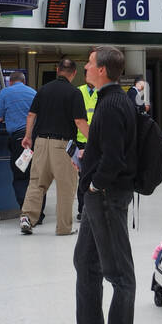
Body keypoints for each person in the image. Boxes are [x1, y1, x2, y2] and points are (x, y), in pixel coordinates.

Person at [57, 46, 137, 324]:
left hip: (106, 197)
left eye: (90, 64)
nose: (86, 67)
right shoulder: (109, 101)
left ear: (102, 70)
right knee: (86, 260)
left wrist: (95, 185)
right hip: (98, 197)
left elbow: (115, 157)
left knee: (117, 270)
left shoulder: (112, 105)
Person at [19, 57, 89, 236]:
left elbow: (31, 115)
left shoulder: (43, 90)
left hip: (41, 143)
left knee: (36, 183)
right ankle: (64, 228)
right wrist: (95, 141)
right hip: (63, 146)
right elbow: (80, 121)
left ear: (57, 70)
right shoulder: (74, 93)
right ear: (73, 73)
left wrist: (28, 136)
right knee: (66, 187)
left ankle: (27, 218)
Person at [0, 70, 37, 212]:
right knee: (35, 177)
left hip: (19, 140)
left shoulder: (5, 92)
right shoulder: (33, 92)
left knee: (21, 176)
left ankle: (26, 211)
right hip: (36, 138)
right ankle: (38, 212)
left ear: (10, 82)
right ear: (24, 82)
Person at [75, 77, 96, 218]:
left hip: (96, 140)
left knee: (94, 174)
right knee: (82, 175)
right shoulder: (78, 91)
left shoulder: (101, 92)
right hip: (80, 140)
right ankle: (82, 209)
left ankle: (92, 207)